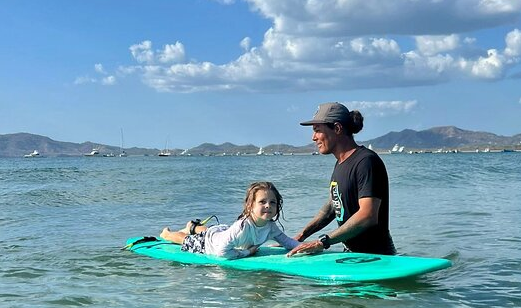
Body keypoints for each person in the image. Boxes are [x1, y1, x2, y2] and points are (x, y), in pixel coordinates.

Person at [288, 102, 396, 256]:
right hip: (352, 255)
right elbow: (333, 205)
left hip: (376, 256)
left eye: (317, 130)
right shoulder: (340, 164)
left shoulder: (366, 162)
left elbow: (368, 216)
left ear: (337, 128)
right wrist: (301, 236)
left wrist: (323, 242)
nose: (313, 137)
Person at [160, 181, 301, 259]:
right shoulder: (242, 227)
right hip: (209, 245)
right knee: (187, 240)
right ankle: (167, 234)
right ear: (250, 205)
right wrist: (247, 253)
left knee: (209, 231)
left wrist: (310, 246)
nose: (268, 206)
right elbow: (222, 252)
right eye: (262, 202)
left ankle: (193, 226)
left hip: (222, 232)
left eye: (273, 202)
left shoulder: (271, 227)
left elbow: (288, 243)